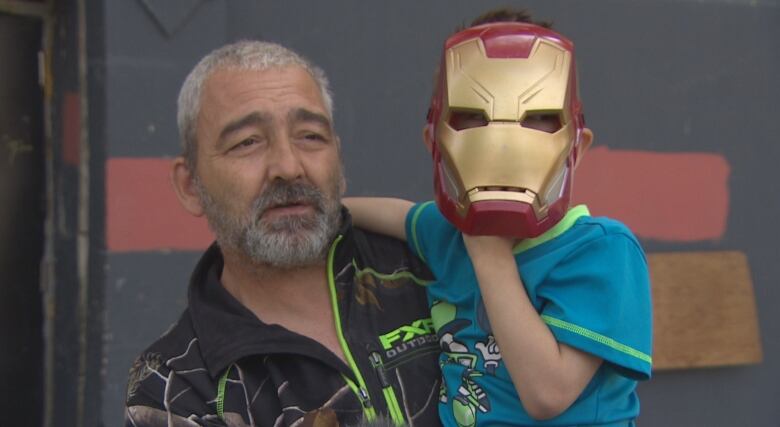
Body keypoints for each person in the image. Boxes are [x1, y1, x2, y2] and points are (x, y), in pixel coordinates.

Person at [344, 9, 653, 427]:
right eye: (472, 117)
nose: (505, 145)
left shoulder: (600, 251)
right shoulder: (446, 232)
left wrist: (489, 255)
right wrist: (329, 210)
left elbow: (548, 394)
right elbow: (401, 215)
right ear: (433, 141)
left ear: (576, 147)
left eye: (538, 119)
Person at [124, 40, 442, 427]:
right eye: (248, 142)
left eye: (310, 136)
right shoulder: (176, 386)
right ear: (191, 186)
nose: (288, 167)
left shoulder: (432, 267)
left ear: (338, 159)